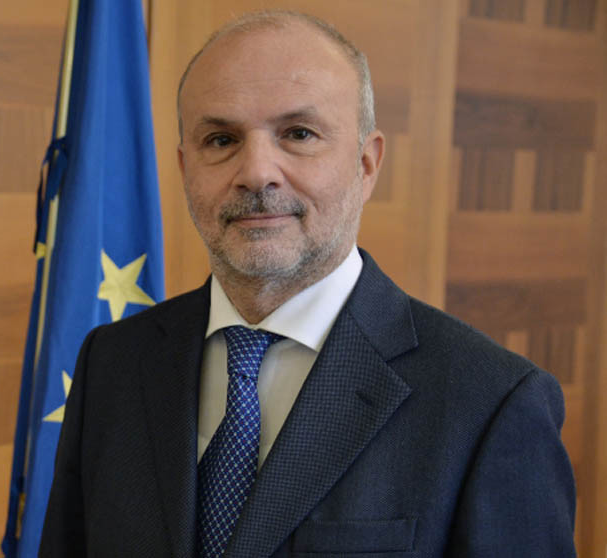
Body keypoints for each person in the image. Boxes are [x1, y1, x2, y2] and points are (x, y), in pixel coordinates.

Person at [40, 10, 576, 557]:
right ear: (184, 169)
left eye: (299, 134)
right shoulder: (112, 361)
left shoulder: (489, 403)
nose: (256, 172)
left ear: (366, 165)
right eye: (221, 139)